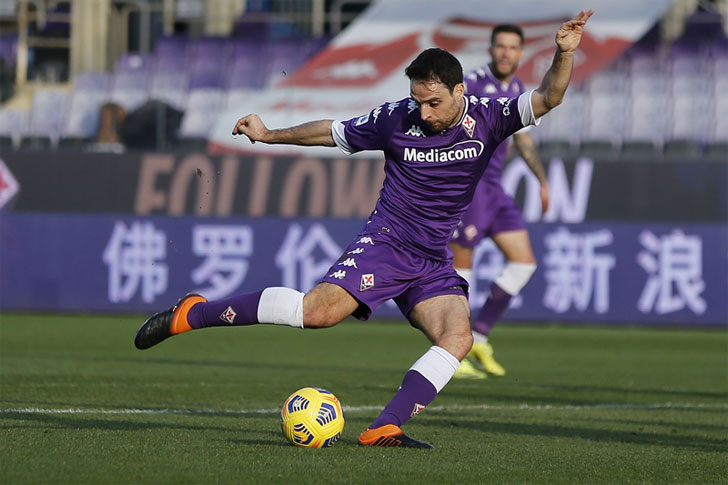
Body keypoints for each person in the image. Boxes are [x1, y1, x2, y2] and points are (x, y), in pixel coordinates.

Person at [134, 10, 593, 449]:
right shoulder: (397, 118)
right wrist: (271, 134)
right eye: (419, 101)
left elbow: (549, 97)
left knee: (459, 338)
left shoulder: (490, 117)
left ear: (459, 91)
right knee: (316, 313)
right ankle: (191, 314)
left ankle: (385, 427)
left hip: (432, 259)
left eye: (434, 102)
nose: (426, 112)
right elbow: (330, 132)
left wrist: (564, 53)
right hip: (388, 243)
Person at [451, 24, 550, 380]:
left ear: (521, 54)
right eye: (501, 47)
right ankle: (454, 349)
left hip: (495, 189)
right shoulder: (472, 83)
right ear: (491, 50)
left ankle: (478, 337)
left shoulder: (516, 89)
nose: (506, 53)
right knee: (463, 267)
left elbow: (522, 139)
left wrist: (541, 180)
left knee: (523, 264)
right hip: (471, 186)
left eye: (513, 48)